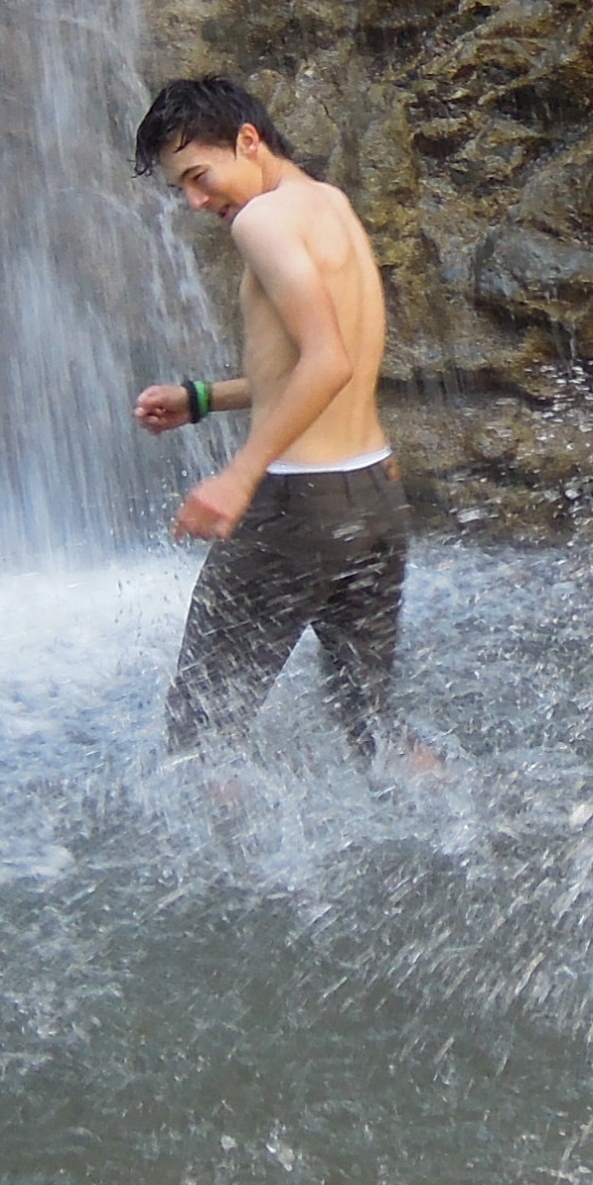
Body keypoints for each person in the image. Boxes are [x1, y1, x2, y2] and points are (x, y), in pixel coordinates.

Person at [129, 77, 415, 767]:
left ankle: (214, 843)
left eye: (199, 176)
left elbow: (327, 362)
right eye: (181, 189)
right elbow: (318, 366)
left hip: (297, 504)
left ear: (248, 141)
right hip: (375, 498)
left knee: (199, 734)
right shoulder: (329, 204)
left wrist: (238, 477)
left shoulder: (262, 221)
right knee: (372, 730)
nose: (196, 202)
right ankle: (460, 815)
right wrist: (202, 399)